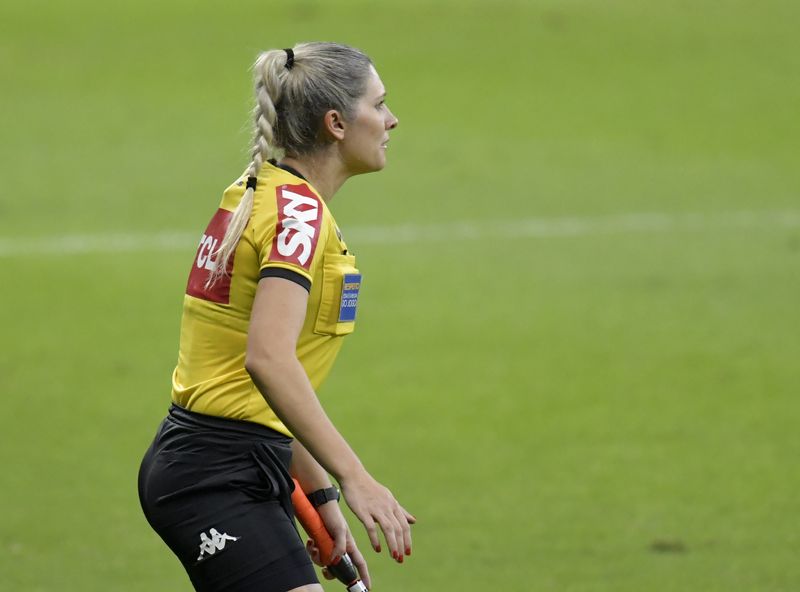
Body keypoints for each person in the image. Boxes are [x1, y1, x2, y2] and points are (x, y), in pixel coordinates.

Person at [138, 41, 415, 592]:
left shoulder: (259, 194)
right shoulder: (298, 217)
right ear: (336, 123)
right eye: (379, 104)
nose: (391, 119)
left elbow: (254, 394)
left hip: (234, 461)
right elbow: (266, 360)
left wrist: (319, 495)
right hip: (213, 475)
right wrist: (355, 478)